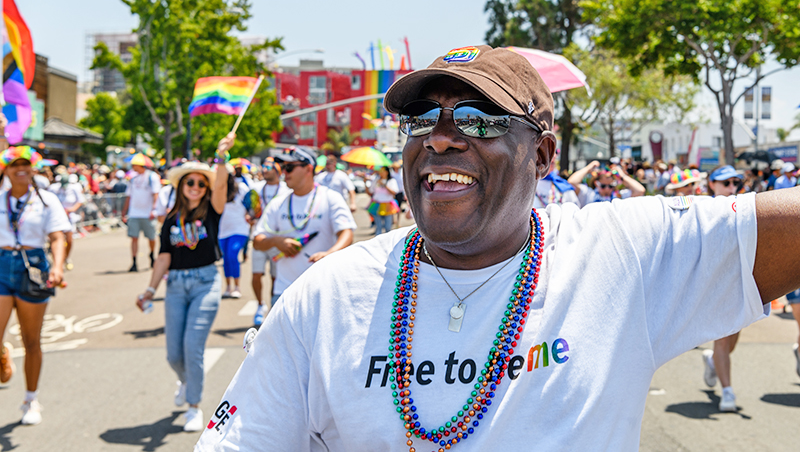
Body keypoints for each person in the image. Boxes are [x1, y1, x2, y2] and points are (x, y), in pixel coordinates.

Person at [196, 45, 800, 451]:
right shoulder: (323, 299)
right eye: (420, 121)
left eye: (479, 120)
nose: (441, 139)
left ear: (542, 155)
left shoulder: (622, 254)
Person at [136, 134, 234, 433]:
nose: (195, 187)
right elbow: (163, 257)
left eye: (200, 183)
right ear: (181, 187)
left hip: (205, 282)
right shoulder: (170, 220)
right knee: (173, 354)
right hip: (176, 286)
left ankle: (194, 406)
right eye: (190, 183)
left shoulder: (213, 211)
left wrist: (221, 157)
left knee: (193, 347)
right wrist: (150, 290)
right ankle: (185, 379)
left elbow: (220, 185)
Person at [0, 147, 70, 426]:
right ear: (4, 169)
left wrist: (57, 266)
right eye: (14, 164)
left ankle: (31, 399)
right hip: (2, 263)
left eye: (25, 164)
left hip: (34, 267)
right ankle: (4, 354)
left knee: (31, 340)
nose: (20, 169)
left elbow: (57, 237)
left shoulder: (47, 199)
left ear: (33, 169)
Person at [251, 146, 356, 308]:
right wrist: (277, 242)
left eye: (289, 167)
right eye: (282, 168)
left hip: (322, 291)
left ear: (308, 168)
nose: (284, 172)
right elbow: (258, 241)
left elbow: (347, 233)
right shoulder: (278, 203)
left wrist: (329, 254)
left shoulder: (330, 198)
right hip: (284, 292)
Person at [699, 165, 745, 412]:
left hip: (738, 282)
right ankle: (728, 392)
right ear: (712, 184)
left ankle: (713, 362)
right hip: (714, 284)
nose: (730, 188)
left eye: (734, 184)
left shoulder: (743, 209)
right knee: (723, 339)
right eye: (725, 183)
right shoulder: (702, 210)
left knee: (732, 340)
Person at [250, 158, 289, 326]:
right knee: (256, 274)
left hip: (278, 239)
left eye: (268, 167)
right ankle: (260, 305)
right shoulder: (256, 189)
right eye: (263, 166)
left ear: (278, 170)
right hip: (259, 237)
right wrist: (250, 215)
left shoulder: (287, 190)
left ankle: (274, 307)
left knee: (275, 277)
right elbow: (250, 208)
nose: (264, 170)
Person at [218, 167, 251, 298]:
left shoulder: (241, 187)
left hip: (239, 228)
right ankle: (228, 287)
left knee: (232, 254)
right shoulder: (217, 190)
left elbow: (251, 203)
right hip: (222, 230)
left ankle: (237, 287)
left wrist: (250, 215)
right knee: (225, 258)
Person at [123, 159, 160, 271]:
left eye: (134, 164)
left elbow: (156, 194)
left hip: (147, 213)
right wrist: (124, 211)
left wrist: (154, 209)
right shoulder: (133, 179)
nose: (133, 166)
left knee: (151, 237)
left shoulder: (152, 177)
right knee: (134, 238)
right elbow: (129, 196)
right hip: (134, 213)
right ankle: (134, 262)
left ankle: (152, 255)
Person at [568, 160, 645, 206]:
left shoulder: (619, 196)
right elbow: (571, 182)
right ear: (596, 183)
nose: (607, 189)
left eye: (611, 186)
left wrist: (622, 176)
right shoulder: (588, 194)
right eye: (603, 186)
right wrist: (588, 168)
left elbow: (640, 191)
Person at [48, 173, 85, 270]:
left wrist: (71, 209)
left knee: (69, 239)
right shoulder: (54, 188)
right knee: (55, 239)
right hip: (57, 217)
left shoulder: (74, 188)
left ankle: (66, 257)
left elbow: (80, 201)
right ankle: (57, 262)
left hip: (69, 217)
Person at [367, 166, 400, 234]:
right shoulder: (376, 180)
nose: (381, 173)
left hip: (388, 205)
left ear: (387, 172)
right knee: (378, 227)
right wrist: (365, 183)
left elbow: (394, 192)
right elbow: (370, 191)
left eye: (383, 171)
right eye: (380, 171)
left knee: (388, 227)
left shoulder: (391, 180)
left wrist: (384, 185)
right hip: (377, 204)